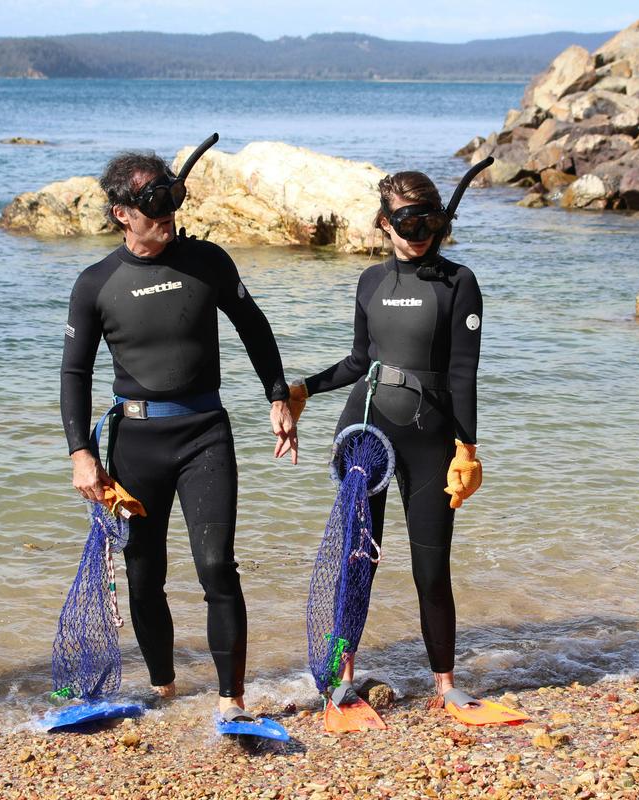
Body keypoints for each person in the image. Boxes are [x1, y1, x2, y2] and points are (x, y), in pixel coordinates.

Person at [60, 146, 298, 721]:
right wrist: (80, 453)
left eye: (172, 198)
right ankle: (163, 688)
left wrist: (278, 395)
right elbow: (74, 372)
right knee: (144, 576)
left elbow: (255, 328)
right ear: (122, 212)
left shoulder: (208, 262)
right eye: (153, 204)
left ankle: (232, 701)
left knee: (216, 564)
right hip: (136, 443)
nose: (167, 213)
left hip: (204, 435)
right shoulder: (96, 283)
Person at [289, 169, 487, 714]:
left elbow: (465, 374)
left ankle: (445, 685)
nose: (417, 231)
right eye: (405, 220)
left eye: (427, 219)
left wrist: (466, 448)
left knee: (432, 564)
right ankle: (344, 679)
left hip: (431, 440)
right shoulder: (370, 281)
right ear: (384, 222)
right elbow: (359, 361)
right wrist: (306, 387)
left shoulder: (458, 282)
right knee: (357, 559)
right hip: (365, 432)